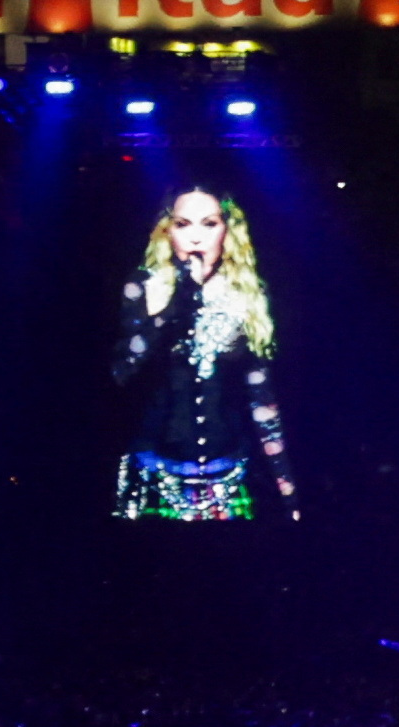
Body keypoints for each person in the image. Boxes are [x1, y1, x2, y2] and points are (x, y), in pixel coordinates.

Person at [109, 188, 295, 521]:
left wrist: (287, 489)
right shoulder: (144, 286)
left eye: (208, 224)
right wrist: (172, 307)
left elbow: (261, 396)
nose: (195, 236)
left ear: (227, 230)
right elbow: (123, 374)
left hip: (229, 473)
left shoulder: (248, 293)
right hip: (154, 472)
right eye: (183, 224)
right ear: (168, 231)